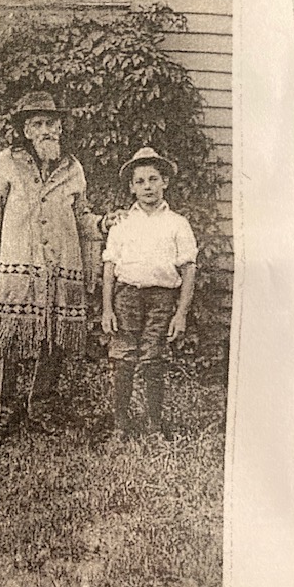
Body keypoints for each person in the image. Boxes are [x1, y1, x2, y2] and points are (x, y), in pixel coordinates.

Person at [0, 91, 121, 445]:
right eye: (38, 124)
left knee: (54, 341)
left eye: (51, 123)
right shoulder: (6, 162)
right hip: (17, 269)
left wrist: (102, 224)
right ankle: (0, 415)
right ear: (26, 130)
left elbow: (82, 216)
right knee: (7, 340)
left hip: (61, 269)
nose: (46, 130)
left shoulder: (73, 168)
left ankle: (40, 406)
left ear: (60, 128)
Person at [101, 147, 198, 438]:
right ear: (132, 187)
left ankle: (154, 425)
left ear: (164, 182)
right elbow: (109, 266)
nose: (147, 187)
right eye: (140, 181)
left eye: (153, 179)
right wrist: (107, 309)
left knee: (154, 360)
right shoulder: (122, 222)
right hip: (126, 297)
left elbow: (189, 268)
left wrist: (180, 314)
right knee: (123, 360)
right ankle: (120, 425)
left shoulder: (177, 223)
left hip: (161, 300)